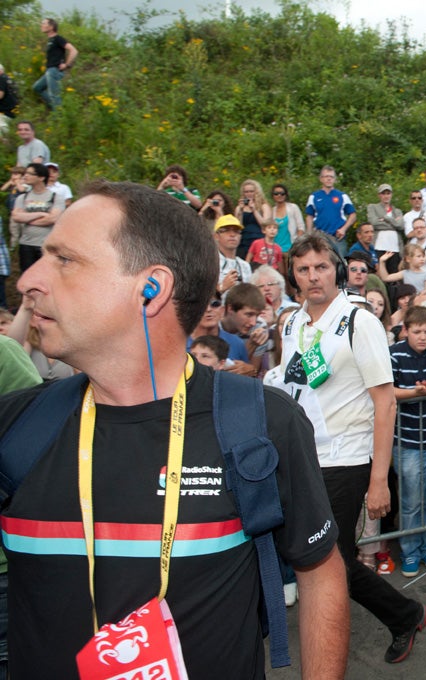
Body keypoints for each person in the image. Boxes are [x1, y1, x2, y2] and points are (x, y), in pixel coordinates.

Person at [4, 180, 347, 677]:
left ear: (151, 289)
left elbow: (319, 571)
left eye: (65, 260)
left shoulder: (260, 423)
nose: (28, 279)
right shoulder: (16, 428)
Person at [264, 233, 426, 665]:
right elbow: (289, 384)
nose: (313, 276)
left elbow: (385, 400)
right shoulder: (291, 322)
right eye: (303, 269)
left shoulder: (360, 322)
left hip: (348, 458)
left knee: (329, 559)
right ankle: (406, 613)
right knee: (324, 557)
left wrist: (379, 481)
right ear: (294, 276)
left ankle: (401, 617)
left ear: (336, 268)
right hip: (302, 456)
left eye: (321, 267)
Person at [389, 305, 426, 578]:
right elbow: (386, 391)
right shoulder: (394, 353)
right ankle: (410, 551)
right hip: (407, 440)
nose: (423, 337)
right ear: (405, 331)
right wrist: (415, 392)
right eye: (417, 331)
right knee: (410, 501)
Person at [10, 162, 61, 273]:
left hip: (47, 246)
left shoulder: (55, 197)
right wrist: (41, 214)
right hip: (26, 244)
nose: (25, 176)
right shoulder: (22, 197)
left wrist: (27, 218)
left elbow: (52, 219)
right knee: (27, 276)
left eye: (30, 173)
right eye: (25, 173)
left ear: (41, 177)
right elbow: (16, 217)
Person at [305, 165, 356, 256]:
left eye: (331, 177)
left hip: (337, 237)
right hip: (320, 237)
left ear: (335, 179)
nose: (329, 179)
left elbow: (352, 215)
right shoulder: (314, 197)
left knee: (340, 264)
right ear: (321, 179)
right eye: (326, 176)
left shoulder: (342, 196)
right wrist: (309, 233)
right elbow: (309, 216)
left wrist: (343, 229)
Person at [32, 18, 77, 109]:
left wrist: (66, 64)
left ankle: (58, 116)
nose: (41, 25)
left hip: (54, 70)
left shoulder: (58, 39)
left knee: (54, 95)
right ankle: (55, 106)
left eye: (44, 23)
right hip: (49, 70)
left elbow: (73, 50)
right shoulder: (51, 40)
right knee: (37, 87)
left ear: (51, 27)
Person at [213, 214, 253, 294]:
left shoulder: (245, 265)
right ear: (216, 236)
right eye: (227, 230)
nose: (232, 234)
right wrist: (222, 287)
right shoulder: (210, 262)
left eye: (236, 231)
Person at [234, 179, 272, 260]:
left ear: (256, 192)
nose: (249, 194)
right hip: (243, 241)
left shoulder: (263, 206)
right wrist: (240, 211)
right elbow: (237, 226)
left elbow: (265, 225)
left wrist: (254, 210)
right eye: (246, 192)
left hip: (259, 239)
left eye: (251, 191)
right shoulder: (239, 207)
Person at [368, 183, 404, 257]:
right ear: (379, 195)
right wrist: (394, 223)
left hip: (395, 249)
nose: (386, 196)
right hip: (378, 247)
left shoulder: (397, 211)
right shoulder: (372, 207)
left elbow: (401, 226)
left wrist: (386, 218)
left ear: (391, 195)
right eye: (383, 193)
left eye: (388, 193)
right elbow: (373, 223)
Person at [269, 183, 303, 252]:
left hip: (291, 246)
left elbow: (301, 227)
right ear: (273, 196)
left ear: (286, 195)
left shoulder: (293, 208)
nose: (279, 195)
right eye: (276, 193)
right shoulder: (271, 211)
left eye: (282, 193)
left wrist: (297, 243)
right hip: (275, 248)